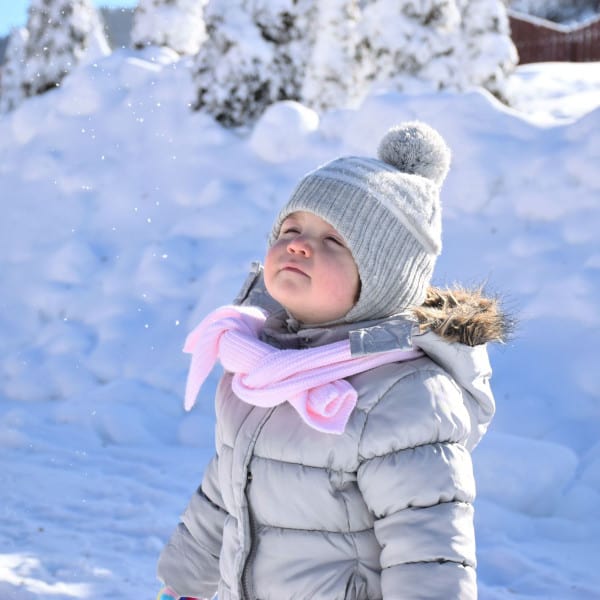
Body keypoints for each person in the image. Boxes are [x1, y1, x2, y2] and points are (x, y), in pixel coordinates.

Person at [156, 122, 507, 600]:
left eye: (334, 241)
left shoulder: (406, 393)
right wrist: (184, 585)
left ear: (382, 280)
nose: (299, 244)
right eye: (292, 229)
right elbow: (224, 493)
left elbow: (428, 548)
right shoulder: (260, 364)